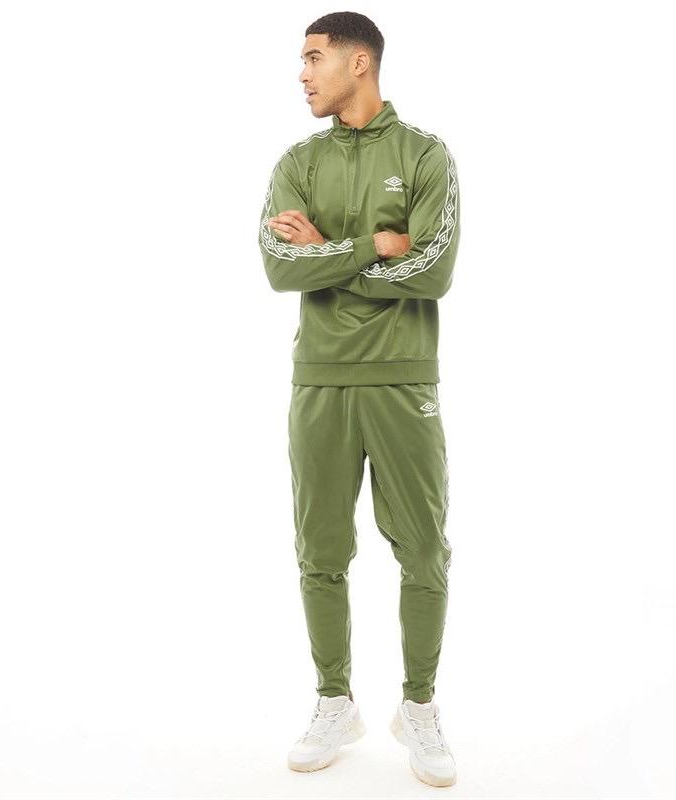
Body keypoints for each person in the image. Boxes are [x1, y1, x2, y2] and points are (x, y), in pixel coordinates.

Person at [257, 11, 461, 788]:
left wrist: (327, 254)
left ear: (359, 63)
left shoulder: (425, 155)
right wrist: (373, 243)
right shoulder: (297, 162)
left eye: (315, 57)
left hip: (404, 378)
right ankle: (334, 700)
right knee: (320, 551)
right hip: (320, 379)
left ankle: (420, 707)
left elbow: (433, 269)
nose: (302, 73)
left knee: (424, 549)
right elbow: (280, 266)